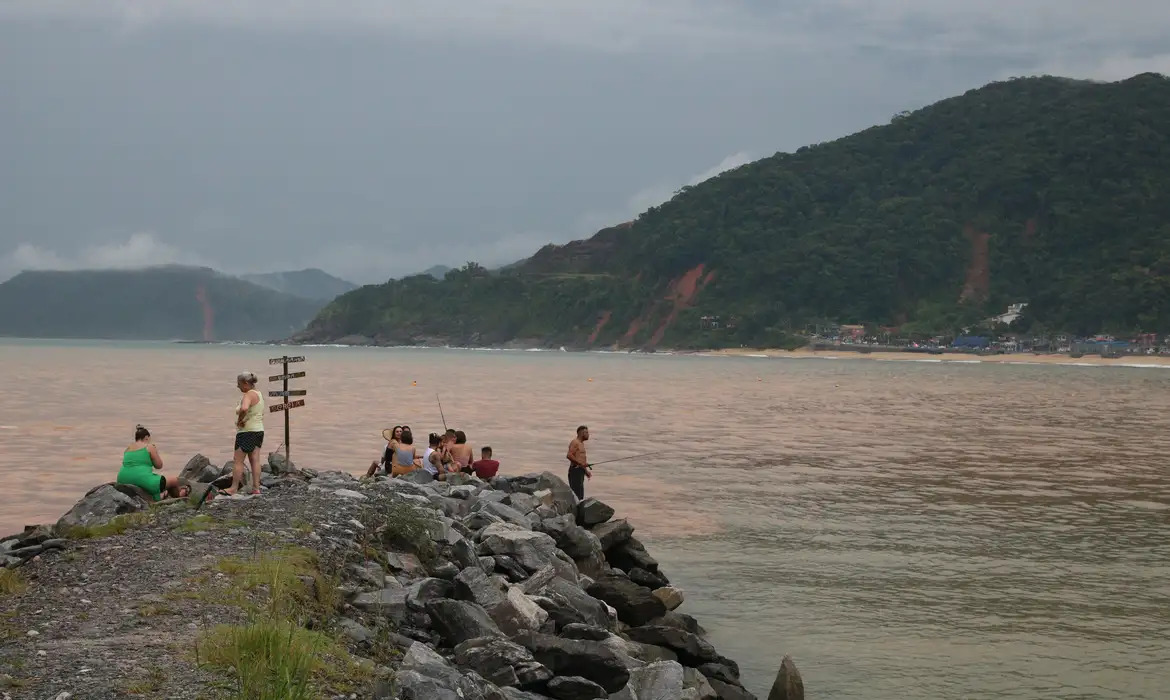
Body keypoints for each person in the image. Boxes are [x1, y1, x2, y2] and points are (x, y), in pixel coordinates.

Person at [117, 424, 186, 501]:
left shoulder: (128, 449)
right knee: (174, 480)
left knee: (150, 481)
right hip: (141, 479)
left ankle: (160, 496)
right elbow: (159, 465)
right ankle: (179, 498)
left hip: (122, 479)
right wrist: (155, 452)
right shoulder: (149, 446)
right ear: (146, 437)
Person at [224, 371, 264, 496]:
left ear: (246, 383)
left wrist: (240, 420)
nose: (238, 386)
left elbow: (245, 408)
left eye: (239, 384)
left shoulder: (248, 395)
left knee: (238, 460)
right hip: (258, 430)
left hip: (247, 431)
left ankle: (234, 488)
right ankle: (256, 488)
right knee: (255, 460)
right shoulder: (259, 394)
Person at [566, 425, 591, 500]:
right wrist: (580, 464)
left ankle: (578, 510)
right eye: (586, 432)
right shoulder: (575, 442)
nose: (588, 435)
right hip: (575, 471)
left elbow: (581, 459)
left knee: (580, 495)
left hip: (580, 471)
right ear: (581, 433)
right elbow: (569, 455)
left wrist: (586, 471)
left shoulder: (581, 444)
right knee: (576, 495)